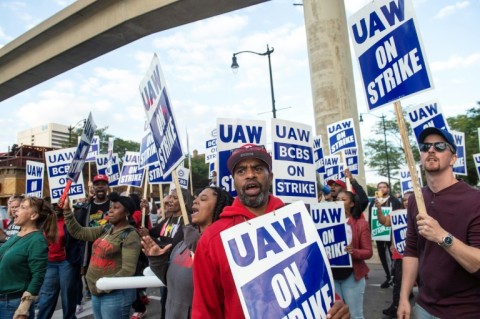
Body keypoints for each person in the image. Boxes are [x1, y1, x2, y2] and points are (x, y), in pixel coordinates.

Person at [192, 143, 350, 319]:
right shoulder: (212, 239)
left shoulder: (300, 223)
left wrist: (336, 306)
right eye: (241, 171)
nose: (250, 174)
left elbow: (318, 280)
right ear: (233, 180)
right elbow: (205, 310)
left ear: (271, 177)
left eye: (258, 168)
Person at [398, 127, 480, 318]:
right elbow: (411, 250)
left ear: (453, 159)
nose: (431, 150)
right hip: (424, 307)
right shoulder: (415, 199)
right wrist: (403, 298)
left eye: (440, 146)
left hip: (465, 310)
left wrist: (442, 236)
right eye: (426, 147)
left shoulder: (475, 200)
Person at [143, 186, 234, 318]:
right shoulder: (183, 242)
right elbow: (170, 280)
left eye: (203, 199)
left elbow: (218, 285)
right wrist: (157, 259)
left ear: (219, 207)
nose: (195, 201)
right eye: (196, 197)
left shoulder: (225, 244)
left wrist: (199, 246)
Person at [63, 192, 141, 319]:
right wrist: (67, 211)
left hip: (114, 295)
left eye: (116, 208)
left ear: (127, 213)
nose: (110, 211)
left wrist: (104, 285)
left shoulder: (130, 235)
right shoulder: (107, 228)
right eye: (111, 207)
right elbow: (79, 232)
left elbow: (128, 271)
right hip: (97, 292)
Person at [138, 188, 192, 319]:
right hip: (164, 267)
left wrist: (154, 241)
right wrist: (145, 215)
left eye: (174, 198)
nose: (168, 200)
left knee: (172, 303)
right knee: (165, 302)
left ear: (184, 201)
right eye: (169, 197)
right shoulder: (169, 219)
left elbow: (174, 246)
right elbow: (152, 233)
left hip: (176, 268)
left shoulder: (187, 220)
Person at [0, 197, 57, 319]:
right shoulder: (16, 236)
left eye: (22, 207)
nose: (15, 210)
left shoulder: (37, 240)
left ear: (33, 216)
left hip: (12, 304)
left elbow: (38, 275)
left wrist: (24, 307)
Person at [37, 204, 83, 319]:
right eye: (54, 205)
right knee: (47, 296)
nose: (57, 207)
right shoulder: (45, 221)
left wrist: (80, 261)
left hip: (66, 262)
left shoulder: (71, 221)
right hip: (49, 262)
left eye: (60, 205)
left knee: (67, 295)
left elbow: (79, 240)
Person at [332, 190, 373, 319]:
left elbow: (368, 252)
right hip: (332, 277)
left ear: (352, 204)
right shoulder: (326, 224)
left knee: (355, 315)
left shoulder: (361, 224)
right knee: (336, 315)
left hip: (352, 277)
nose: (339, 201)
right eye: (337, 198)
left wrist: (353, 251)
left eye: (343, 199)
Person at [377, 191, 413, 318]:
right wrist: (379, 210)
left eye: (410, 199)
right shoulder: (396, 215)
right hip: (400, 255)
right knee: (398, 281)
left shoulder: (422, 214)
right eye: (405, 200)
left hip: (419, 255)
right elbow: (384, 222)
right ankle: (396, 306)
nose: (407, 202)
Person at [76, 174, 112, 300]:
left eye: (103, 184)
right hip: (90, 249)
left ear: (108, 187)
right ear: (93, 188)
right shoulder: (86, 207)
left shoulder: (114, 205)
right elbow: (78, 228)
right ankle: (91, 291)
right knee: (92, 279)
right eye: (97, 184)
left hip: (110, 248)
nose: (100, 187)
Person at [368, 181, 401, 288]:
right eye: (380, 187)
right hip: (379, 234)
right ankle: (388, 277)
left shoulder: (394, 201)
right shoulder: (374, 202)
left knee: (393, 256)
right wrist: (371, 231)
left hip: (391, 234)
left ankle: (395, 277)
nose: (382, 189)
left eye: (384, 187)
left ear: (388, 189)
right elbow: (371, 218)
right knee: (382, 256)